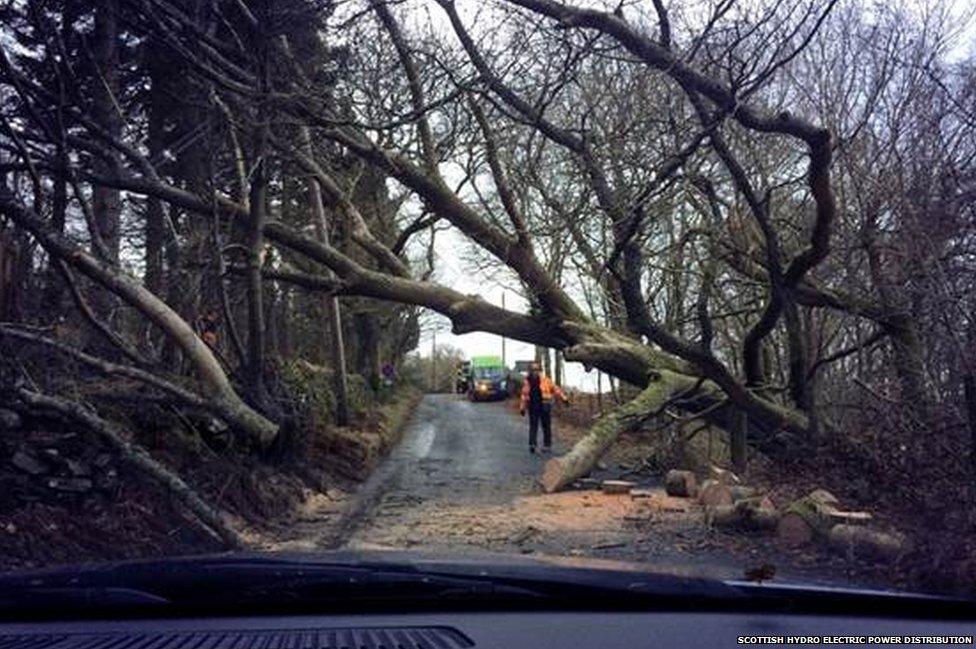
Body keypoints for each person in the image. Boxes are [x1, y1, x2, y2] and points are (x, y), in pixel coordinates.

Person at [519, 362, 570, 454]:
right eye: (533, 370)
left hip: (544, 404)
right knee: (533, 426)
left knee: (546, 426)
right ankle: (532, 444)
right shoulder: (527, 382)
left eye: (537, 370)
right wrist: (522, 408)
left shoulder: (545, 380)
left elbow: (555, 389)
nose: (535, 372)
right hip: (533, 405)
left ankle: (547, 445)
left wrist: (564, 398)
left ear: (539, 370)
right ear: (530, 371)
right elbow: (524, 395)